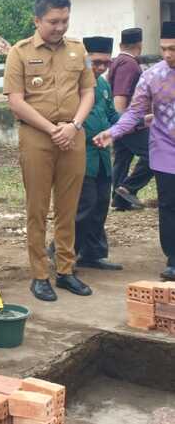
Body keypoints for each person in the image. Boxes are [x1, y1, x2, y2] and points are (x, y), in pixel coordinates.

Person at [3, 0, 95, 302]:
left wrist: (75, 125)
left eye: (65, 20)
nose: (60, 27)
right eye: (53, 21)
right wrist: (52, 128)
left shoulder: (78, 50)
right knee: (38, 209)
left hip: (73, 134)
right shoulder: (19, 52)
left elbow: (88, 92)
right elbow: (16, 101)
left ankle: (66, 271)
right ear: (37, 20)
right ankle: (40, 275)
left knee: (69, 208)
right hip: (37, 136)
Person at [94, 21, 175, 282]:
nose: (167, 55)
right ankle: (173, 259)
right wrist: (113, 132)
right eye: (163, 49)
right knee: (169, 205)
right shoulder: (152, 76)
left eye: (173, 49)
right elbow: (134, 113)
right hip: (165, 151)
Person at [71, 36, 123, 271]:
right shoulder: (73, 85)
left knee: (101, 203)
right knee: (84, 205)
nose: (101, 68)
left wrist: (135, 121)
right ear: (85, 59)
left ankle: (92, 253)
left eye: (106, 63)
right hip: (81, 155)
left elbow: (112, 115)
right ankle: (63, 252)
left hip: (103, 157)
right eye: (96, 62)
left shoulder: (102, 85)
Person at [108, 27, 153, 211]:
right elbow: (120, 95)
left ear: (121, 45)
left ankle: (119, 201)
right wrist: (123, 124)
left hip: (122, 122)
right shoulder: (129, 64)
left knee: (122, 158)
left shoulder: (117, 61)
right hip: (130, 123)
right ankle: (128, 187)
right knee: (156, 154)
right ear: (140, 45)